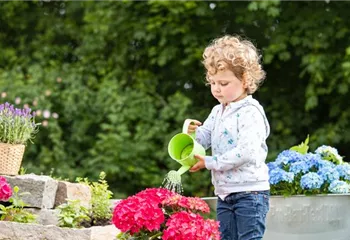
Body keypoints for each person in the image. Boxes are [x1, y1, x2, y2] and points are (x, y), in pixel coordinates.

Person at [186, 35, 270, 240]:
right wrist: (191, 134)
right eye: (213, 82)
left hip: (250, 193)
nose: (216, 88)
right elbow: (205, 139)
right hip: (224, 193)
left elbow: (246, 152)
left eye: (223, 83)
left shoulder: (251, 112)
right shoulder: (217, 111)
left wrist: (210, 162)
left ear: (244, 80)